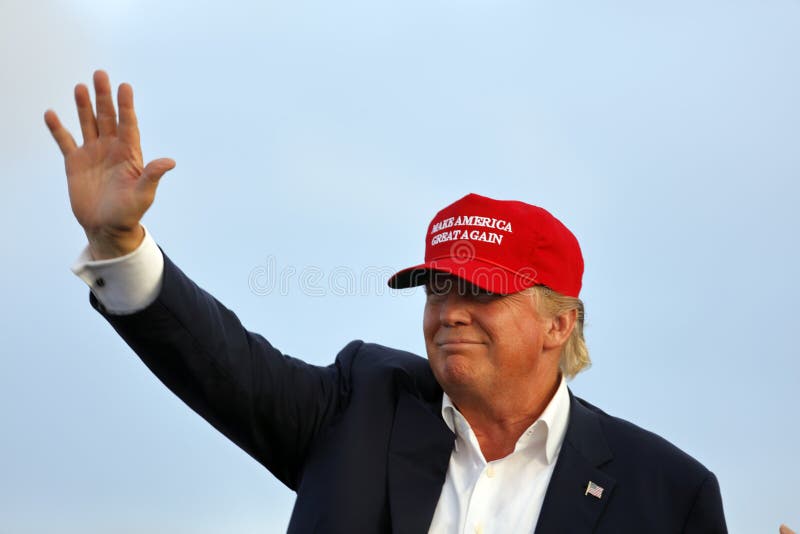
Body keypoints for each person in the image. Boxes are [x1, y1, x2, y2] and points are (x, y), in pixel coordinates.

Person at [46, 70, 732, 533]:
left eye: (482, 291)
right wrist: (121, 241)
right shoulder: (359, 406)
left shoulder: (667, 493)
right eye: (438, 287)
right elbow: (223, 364)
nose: (451, 310)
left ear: (560, 323)